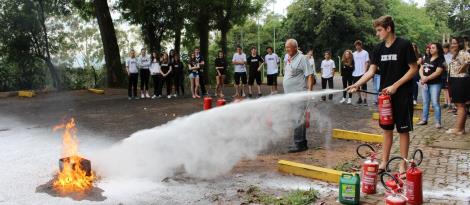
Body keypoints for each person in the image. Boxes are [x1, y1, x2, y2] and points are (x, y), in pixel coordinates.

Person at [347, 15, 419, 176]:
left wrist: (395, 86)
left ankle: (403, 164)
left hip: (403, 95)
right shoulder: (378, 49)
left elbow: (413, 69)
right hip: (385, 98)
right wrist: (357, 83)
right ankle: (384, 162)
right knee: (386, 129)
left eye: (379, 30)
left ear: (388, 28)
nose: (377, 33)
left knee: (403, 130)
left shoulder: (404, 45)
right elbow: (371, 71)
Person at [283, 39, 314, 153]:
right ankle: (302, 143)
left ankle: (299, 144)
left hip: (299, 95)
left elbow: (310, 76)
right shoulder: (289, 58)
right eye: (286, 47)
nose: (287, 49)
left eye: (289, 47)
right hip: (290, 96)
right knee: (296, 118)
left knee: (297, 118)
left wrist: (310, 92)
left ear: (295, 47)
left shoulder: (302, 58)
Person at [416, 43, 445, 129]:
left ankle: (438, 122)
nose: (430, 49)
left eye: (433, 48)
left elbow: (438, 72)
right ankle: (424, 119)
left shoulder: (441, 59)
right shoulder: (427, 57)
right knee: (425, 102)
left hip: (435, 84)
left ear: (438, 49)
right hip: (425, 83)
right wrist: (422, 77)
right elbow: (421, 68)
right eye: (430, 48)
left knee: (435, 102)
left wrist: (427, 78)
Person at [446, 37, 470, 135]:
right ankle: (461, 129)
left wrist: (462, 69)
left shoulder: (463, 53)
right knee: (460, 105)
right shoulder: (455, 54)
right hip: (456, 80)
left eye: (455, 43)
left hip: (461, 80)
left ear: (460, 44)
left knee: (460, 105)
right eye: (452, 43)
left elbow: (468, 61)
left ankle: (458, 129)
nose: (452, 45)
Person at [352, 40, 370, 106]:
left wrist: (365, 72)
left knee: (364, 87)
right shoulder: (353, 54)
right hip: (355, 73)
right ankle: (359, 99)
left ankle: (365, 99)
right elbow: (351, 62)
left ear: (361, 45)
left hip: (362, 72)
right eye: (356, 46)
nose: (357, 47)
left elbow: (367, 62)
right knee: (356, 86)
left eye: (358, 45)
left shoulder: (365, 53)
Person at [442, 43, 452, 109]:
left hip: (449, 72)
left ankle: (449, 103)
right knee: (444, 88)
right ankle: (446, 102)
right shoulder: (443, 55)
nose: (444, 50)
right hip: (443, 73)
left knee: (448, 88)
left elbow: (450, 63)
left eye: (445, 48)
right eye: (444, 48)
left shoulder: (451, 55)